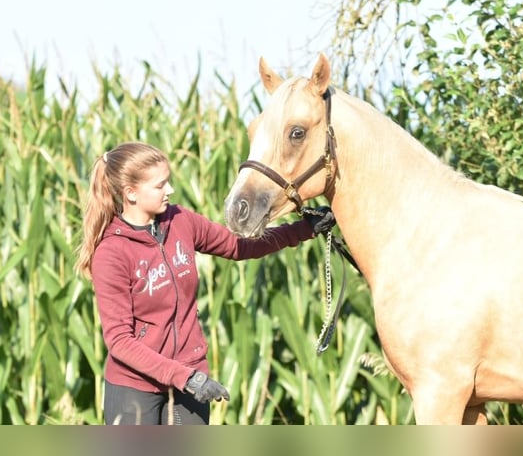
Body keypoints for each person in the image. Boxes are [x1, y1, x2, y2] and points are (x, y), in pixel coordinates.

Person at [74, 141, 334, 425]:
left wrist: (302, 229)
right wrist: (187, 378)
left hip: (190, 377)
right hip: (135, 387)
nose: (170, 190)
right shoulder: (111, 253)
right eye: (160, 186)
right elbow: (120, 341)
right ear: (131, 193)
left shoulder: (180, 220)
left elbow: (239, 246)